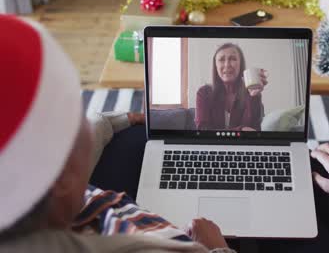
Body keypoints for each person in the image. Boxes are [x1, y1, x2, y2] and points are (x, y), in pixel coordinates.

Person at [0, 15, 234, 253]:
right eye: (76, 114)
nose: (88, 120)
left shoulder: (32, 196)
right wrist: (218, 249)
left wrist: (110, 121)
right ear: (61, 175)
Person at [195, 43, 267, 131]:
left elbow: (254, 130)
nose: (227, 64)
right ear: (216, 66)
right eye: (221, 60)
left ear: (240, 64)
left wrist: (254, 96)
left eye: (233, 59)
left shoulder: (249, 92)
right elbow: (203, 130)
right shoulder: (204, 93)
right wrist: (239, 131)